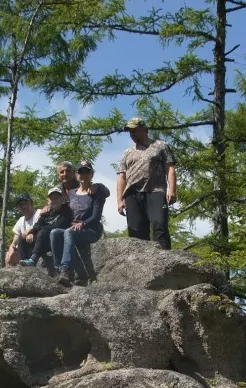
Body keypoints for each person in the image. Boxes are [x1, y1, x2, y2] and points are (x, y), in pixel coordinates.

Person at [116, 117, 176, 249]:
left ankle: (165, 261)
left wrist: (172, 190)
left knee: (159, 226)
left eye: (135, 130)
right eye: (130, 131)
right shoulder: (127, 152)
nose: (132, 134)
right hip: (132, 195)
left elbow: (170, 168)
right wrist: (120, 200)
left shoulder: (160, 146)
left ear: (144, 130)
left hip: (156, 191)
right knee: (136, 232)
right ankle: (140, 266)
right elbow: (122, 176)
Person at [50, 160, 110, 286]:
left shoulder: (96, 192)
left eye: (87, 172)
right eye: (81, 172)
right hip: (73, 229)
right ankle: (58, 270)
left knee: (68, 232)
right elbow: (60, 206)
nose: (83, 175)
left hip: (91, 229)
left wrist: (82, 224)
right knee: (55, 233)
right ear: (76, 175)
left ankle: (66, 270)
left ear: (91, 174)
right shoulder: (71, 193)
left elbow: (96, 217)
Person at [20, 188, 72, 268]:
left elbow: (58, 226)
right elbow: (37, 225)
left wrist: (36, 229)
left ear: (62, 199)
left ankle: (33, 260)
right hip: (42, 240)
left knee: (43, 231)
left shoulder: (66, 211)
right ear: (48, 200)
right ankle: (24, 262)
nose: (54, 200)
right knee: (23, 237)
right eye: (52, 198)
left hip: (56, 241)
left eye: (57, 197)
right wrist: (31, 232)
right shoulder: (46, 212)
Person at [5, 193, 38, 267]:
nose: (24, 206)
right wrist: (11, 250)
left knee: (22, 239)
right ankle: (10, 275)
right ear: (18, 208)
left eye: (26, 203)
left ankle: (26, 265)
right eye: (20, 205)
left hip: (37, 246)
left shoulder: (39, 213)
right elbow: (14, 242)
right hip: (25, 248)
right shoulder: (21, 220)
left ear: (31, 204)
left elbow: (43, 228)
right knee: (8, 254)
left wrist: (32, 232)